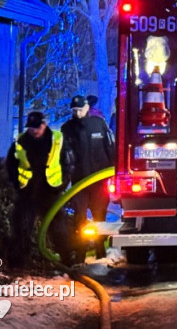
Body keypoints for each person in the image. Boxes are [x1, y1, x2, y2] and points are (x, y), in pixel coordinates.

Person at [5, 111, 70, 267]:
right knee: (21, 227)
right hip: (27, 193)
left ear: (44, 124)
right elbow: (11, 165)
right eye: (31, 127)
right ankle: (20, 263)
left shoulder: (56, 140)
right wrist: (16, 184)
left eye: (36, 127)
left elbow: (68, 164)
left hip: (50, 192)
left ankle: (67, 259)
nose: (33, 130)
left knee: (58, 227)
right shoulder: (20, 142)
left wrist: (62, 185)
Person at [61, 94, 115, 262]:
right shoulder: (67, 129)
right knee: (80, 220)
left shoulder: (99, 124)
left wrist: (114, 172)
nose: (78, 113)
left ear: (87, 108)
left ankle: (101, 252)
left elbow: (111, 148)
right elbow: (63, 156)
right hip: (79, 183)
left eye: (80, 110)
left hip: (99, 182)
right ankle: (80, 255)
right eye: (74, 110)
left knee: (100, 217)